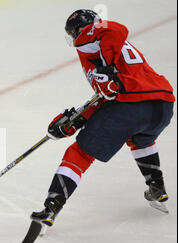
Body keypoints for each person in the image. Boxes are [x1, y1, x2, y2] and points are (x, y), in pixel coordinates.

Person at [31, 9, 175, 226]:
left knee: (78, 154)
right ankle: (156, 187)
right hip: (162, 104)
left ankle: (51, 207)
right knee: (139, 138)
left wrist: (106, 68)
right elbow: (106, 94)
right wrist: (76, 119)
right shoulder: (109, 47)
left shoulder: (90, 42)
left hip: (131, 105)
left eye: (74, 35)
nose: (75, 41)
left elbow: (117, 29)